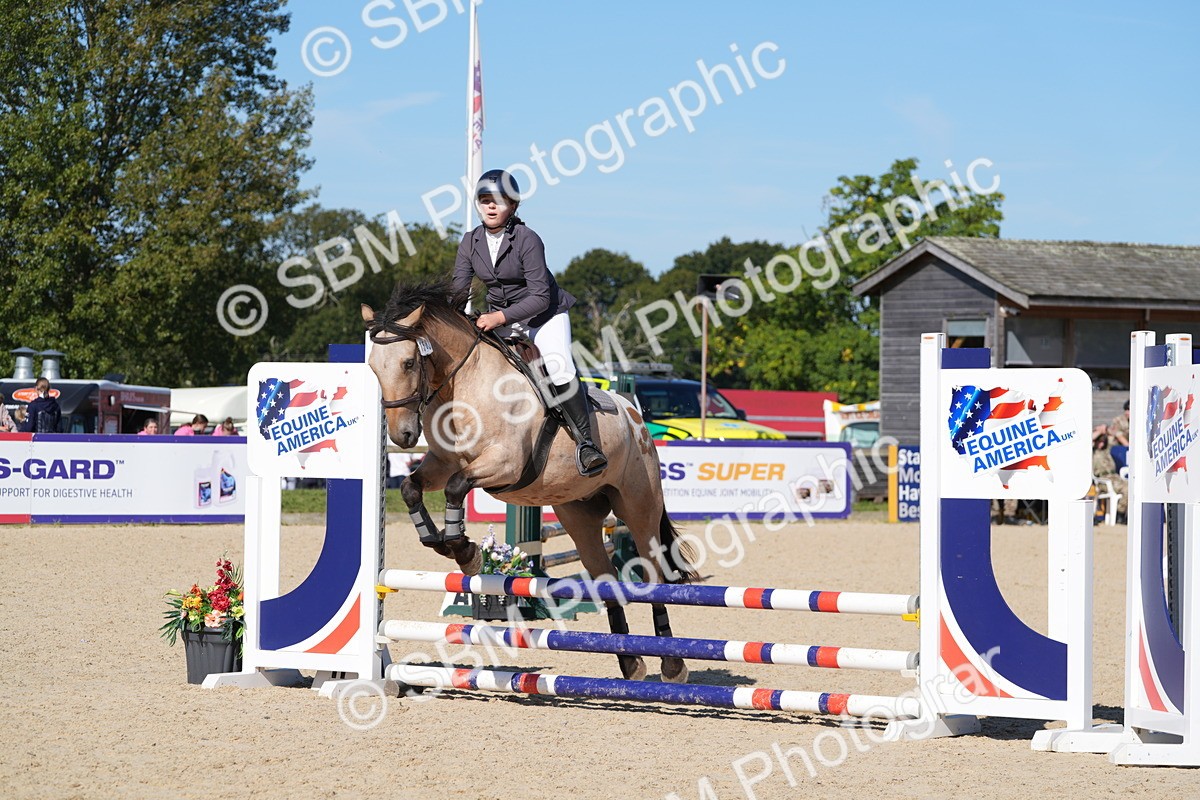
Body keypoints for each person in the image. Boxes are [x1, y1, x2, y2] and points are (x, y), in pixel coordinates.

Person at [452, 168, 607, 476]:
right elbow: (457, 291)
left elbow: (539, 297)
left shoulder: (527, 239)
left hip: (543, 315)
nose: (491, 206)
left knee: (559, 365)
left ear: (513, 206)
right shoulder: (470, 241)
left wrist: (498, 317)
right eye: (484, 200)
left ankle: (587, 444)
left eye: (498, 201)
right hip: (500, 317)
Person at [1092, 424, 1127, 523]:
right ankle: (1120, 514)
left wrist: (1106, 429)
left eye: (1103, 441)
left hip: (1114, 477)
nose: (1101, 444)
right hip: (1103, 480)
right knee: (1126, 489)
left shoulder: (1106, 450)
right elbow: (1089, 439)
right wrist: (1099, 431)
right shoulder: (1092, 451)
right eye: (1099, 441)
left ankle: (1121, 513)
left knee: (1132, 487)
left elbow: (1116, 435)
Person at [1109, 400, 1130, 471]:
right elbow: (1118, 435)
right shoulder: (1118, 420)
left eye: (1129, 410)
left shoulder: (1140, 420)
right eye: (1126, 410)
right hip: (1119, 447)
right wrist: (1129, 447)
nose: (1127, 412)